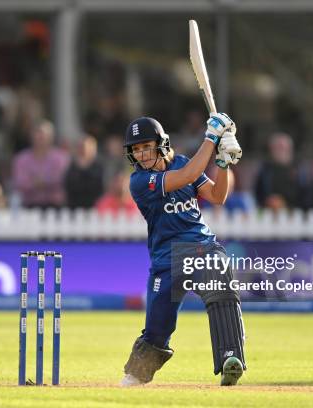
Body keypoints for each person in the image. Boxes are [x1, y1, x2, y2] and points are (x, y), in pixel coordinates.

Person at [120, 113, 246, 387]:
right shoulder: (139, 182)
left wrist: (223, 163)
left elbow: (217, 196)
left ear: (161, 143)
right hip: (166, 259)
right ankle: (137, 374)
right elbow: (187, 176)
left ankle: (229, 359)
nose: (142, 154)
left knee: (221, 288)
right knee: (157, 330)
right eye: (137, 149)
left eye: (146, 146)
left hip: (202, 247)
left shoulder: (181, 162)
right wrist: (211, 139)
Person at [64, 135, 104, 208]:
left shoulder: (99, 166)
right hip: (74, 206)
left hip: (94, 206)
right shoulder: (71, 166)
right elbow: (68, 185)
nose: (83, 150)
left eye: (87, 147)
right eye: (81, 147)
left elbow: (100, 186)